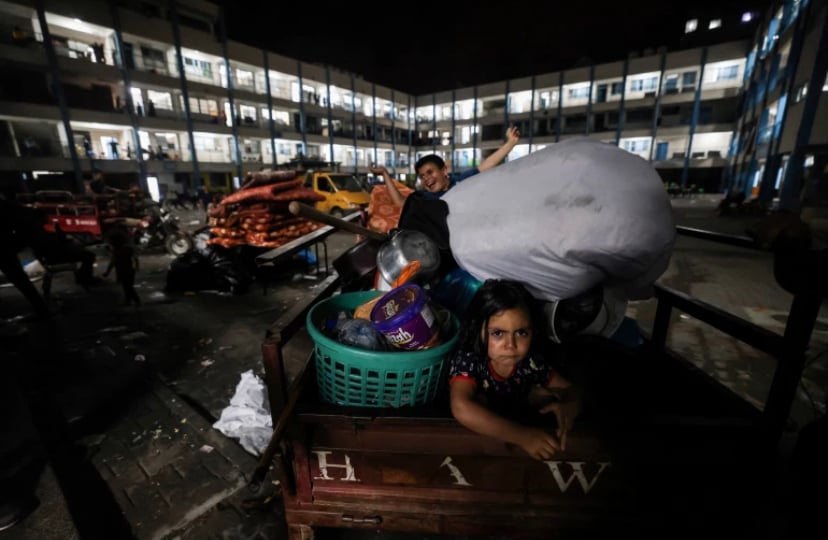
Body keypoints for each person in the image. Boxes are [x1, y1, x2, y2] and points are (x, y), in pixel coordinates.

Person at [448, 279, 580, 460]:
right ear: (478, 329)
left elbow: (570, 390)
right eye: (498, 333)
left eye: (521, 333)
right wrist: (524, 437)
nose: (511, 345)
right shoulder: (471, 361)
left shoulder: (531, 363)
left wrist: (570, 406)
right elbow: (461, 407)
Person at [103, 232, 140, 307]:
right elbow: (135, 258)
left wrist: (107, 272)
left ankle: (135, 301)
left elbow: (112, 262)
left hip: (122, 270)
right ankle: (130, 301)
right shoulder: (128, 249)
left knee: (127, 287)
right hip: (129, 270)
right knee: (128, 286)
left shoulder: (116, 251)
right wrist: (137, 267)